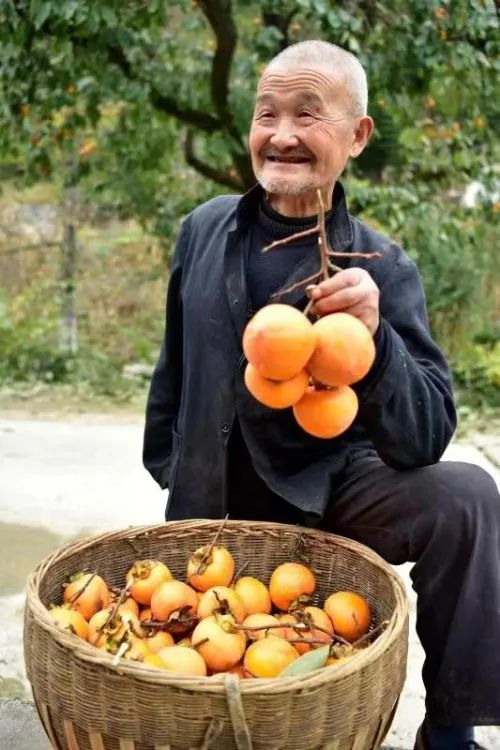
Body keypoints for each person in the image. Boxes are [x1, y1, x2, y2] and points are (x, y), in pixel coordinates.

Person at [143, 40, 499, 750]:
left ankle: (453, 727)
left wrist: (374, 345)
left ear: (357, 136)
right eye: (266, 113)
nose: (280, 134)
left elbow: (423, 434)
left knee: (469, 496)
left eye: (308, 114)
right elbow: (172, 373)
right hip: (215, 508)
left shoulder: (381, 267)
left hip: (333, 498)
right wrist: (174, 472)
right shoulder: (204, 231)